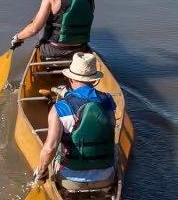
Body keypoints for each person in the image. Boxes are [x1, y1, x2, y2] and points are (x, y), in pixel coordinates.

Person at [32, 53, 118, 190]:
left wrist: (40, 172)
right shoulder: (108, 101)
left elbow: (49, 149)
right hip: (106, 178)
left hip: (70, 180)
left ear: (70, 78)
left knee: (55, 148)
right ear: (94, 80)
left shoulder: (59, 108)